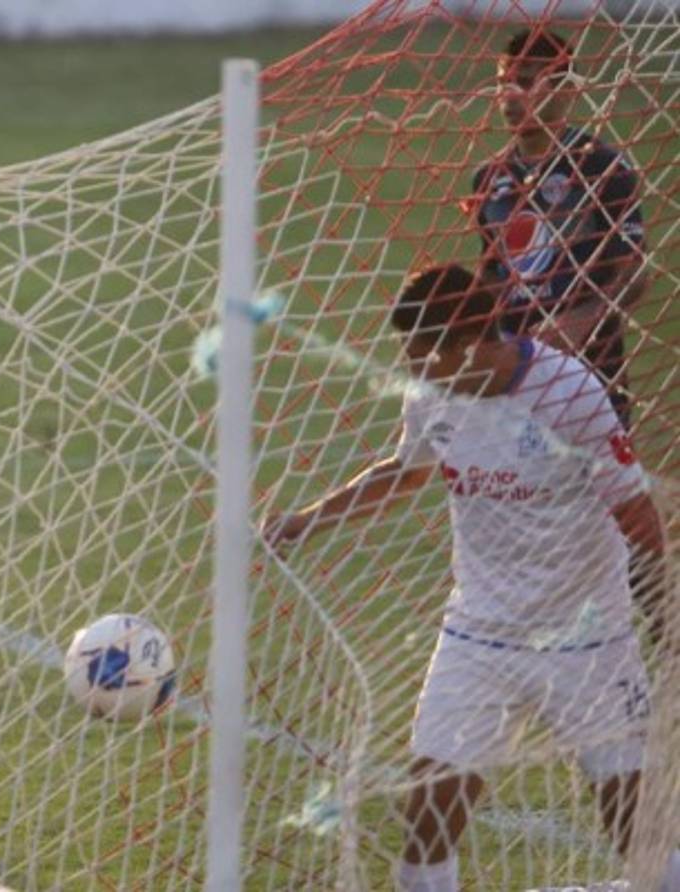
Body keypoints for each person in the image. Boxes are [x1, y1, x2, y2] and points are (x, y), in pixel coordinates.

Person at [263, 265, 677, 892]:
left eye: (426, 354)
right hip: (477, 636)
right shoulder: (431, 394)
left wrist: (668, 616)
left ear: (473, 342)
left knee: (636, 833)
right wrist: (309, 519)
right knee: (428, 816)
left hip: (589, 641)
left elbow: (638, 518)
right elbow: (404, 472)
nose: (415, 368)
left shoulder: (571, 394)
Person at [470, 28, 649, 427]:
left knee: (608, 489)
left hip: (593, 377)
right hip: (517, 379)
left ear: (565, 89)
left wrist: (581, 319)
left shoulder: (602, 167)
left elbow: (634, 273)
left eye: (526, 81)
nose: (510, 96)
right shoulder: (488, 179)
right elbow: (493, 271)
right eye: (503, 84)